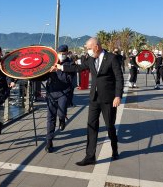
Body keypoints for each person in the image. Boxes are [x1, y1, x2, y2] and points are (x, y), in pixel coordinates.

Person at [56, 37, 124, 165]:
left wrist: (117, 96)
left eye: (88, 48)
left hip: (108, 99)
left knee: (110, 126)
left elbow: (119, 78)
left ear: (96, 47)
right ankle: (90, 156)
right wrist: (61, 68)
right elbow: (78, 68)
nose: (88, 51)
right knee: (91, 126)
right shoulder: (90, 59)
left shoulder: (111, 58)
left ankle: (114, 150)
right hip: (94, 98)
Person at [37, 45, 75, 153]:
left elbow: (68, 79)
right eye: (60, 53)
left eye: (64, 53)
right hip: (51, 93)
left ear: (67, 53)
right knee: (50, 118)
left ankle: (62, 119)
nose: (62, 55)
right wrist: (34, 76)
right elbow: (44, 76)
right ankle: (49, 141)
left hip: (64, 92)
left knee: (61, 113)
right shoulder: (52, 62)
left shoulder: (70, 64)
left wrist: (57, 70)